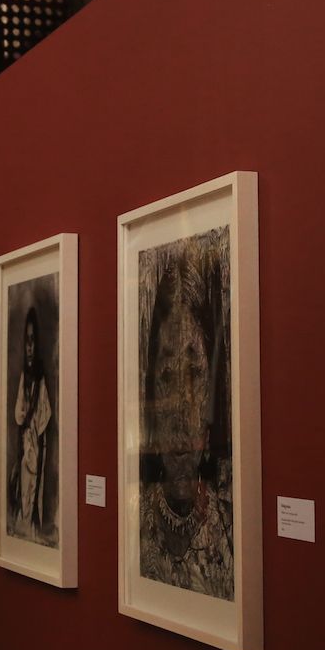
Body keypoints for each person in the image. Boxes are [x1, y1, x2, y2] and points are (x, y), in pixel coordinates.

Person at [138, 239, 235, 600]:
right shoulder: (136, 525)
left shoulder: (229, 535)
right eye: (167, 375)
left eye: (195, 373)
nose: (181, 406)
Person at [10, 307, 52, 540]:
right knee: (22, 491)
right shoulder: (23, 380)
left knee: (33, 490)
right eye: (26, 342)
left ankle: (31, 529)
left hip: (35, 451)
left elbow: (43, 419)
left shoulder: (40, 381)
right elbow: (19, 415)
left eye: (33, 341)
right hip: (25, 449)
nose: (29, 348)